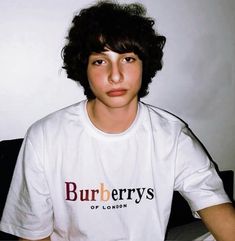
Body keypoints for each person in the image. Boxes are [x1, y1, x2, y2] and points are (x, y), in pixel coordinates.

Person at [0, 1, 235, 241]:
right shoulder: (45, 137)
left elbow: (215, 205)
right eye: (100, 61)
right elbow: (33, 235)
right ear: (85, 69)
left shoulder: (171, 135)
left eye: (128, 59)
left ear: (144, 64)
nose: (115, 76)